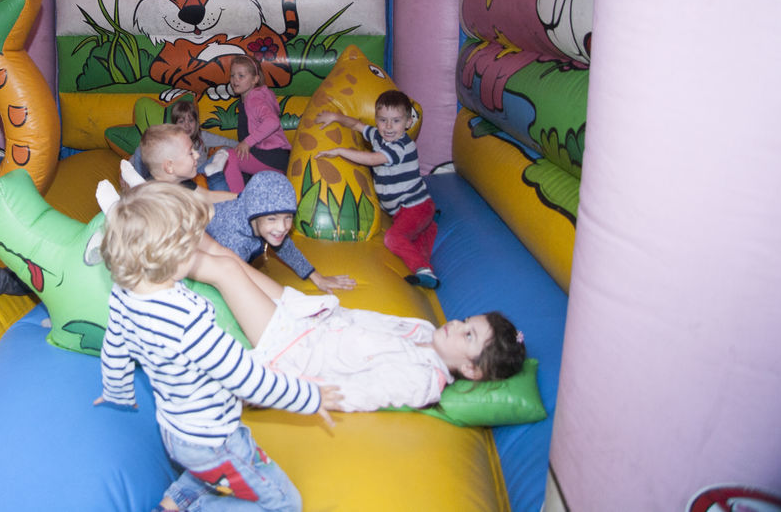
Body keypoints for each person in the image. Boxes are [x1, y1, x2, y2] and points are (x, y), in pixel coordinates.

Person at [96, 182, 342, 512]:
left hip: (175, 431)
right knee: (285, 504)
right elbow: (247, 379)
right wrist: (308, 397)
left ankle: (174, 502)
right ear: (172, 255)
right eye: (190, 244)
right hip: (214, 439)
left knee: (209, 469)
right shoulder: (187, 321)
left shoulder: (124, 295)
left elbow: (114, 347)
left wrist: (117, 390)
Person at [190, 247, 526, 412]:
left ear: (470, 368)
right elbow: (358, 319)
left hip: (296, 349)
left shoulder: (422, 381)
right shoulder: (423, 331)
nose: (456, 324)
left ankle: (144, 257)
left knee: (225, 271)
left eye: (468, 335)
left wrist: (286, 390)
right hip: (309, 319)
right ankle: (152, 209)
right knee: (230, 257)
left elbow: (361, 394)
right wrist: (313, 303)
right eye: (466, 322)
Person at [0, 124, 234, 309]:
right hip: (111, 246)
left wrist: (243, 201)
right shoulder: (152, 194)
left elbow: (211, 198)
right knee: (62, 268)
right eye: (191, 152)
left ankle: (70, 303)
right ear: (169, 166)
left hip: (142, 262)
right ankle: (3, 280)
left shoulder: (187, 186)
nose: (198, 154)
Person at [315, 89, 441, 290]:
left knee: (394, 238)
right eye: (383, 120)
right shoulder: (378, 136)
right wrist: (335, 116)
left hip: (415, 206)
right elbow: (357, 125)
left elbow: (374, 159)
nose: (388, 127)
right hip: (401, 210)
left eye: (396, 121)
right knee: (412, 234)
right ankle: (428, 227)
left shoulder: (401, 146)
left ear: (408, 123)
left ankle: (424, 270)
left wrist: (340, 152)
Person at [206, 170, 356, 294]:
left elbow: (285, 247)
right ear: (254, 216)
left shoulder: (258, 221)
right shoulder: (234, 241)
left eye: (288, 217)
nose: (282, 227)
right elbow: (232, 283)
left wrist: (316, 277)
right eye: (272, 219)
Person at [221, 55, 291, 193]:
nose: (235, 80)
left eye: (241, 76)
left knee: (228, 158)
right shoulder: (251, 98)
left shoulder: (254, 98)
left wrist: (248, 142)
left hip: (270, 156)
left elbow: (272, 122)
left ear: (255, 79)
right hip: (275, 159)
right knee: (239, 156)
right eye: (233, 75)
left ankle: (238, 203)